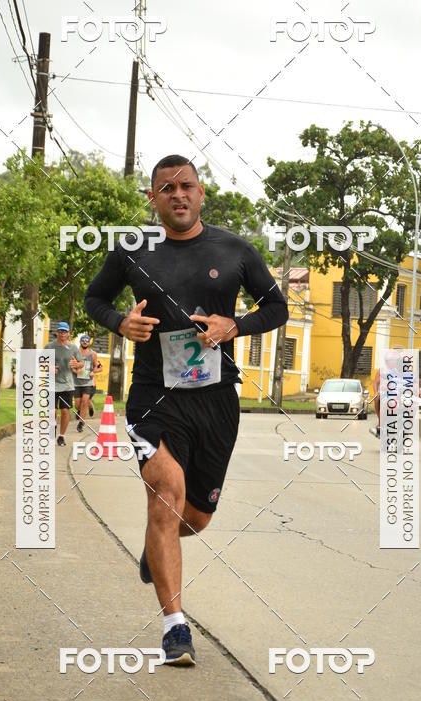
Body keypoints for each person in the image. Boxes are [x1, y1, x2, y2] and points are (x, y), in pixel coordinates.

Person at [84, 154, 288, 665]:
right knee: (165, 493)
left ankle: (158, 548)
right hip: (154, 396)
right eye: (166, 188)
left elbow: (277, 306)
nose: (178, 195)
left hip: (216, 399)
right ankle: (175, 627)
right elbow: (95, 298)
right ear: (153, 197)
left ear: (200, 193)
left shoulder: (235, 249)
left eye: (186, 186)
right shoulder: (132, 250)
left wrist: (234, 325)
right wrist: (119, 322)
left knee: (193, 518)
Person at [44, 323, 84, 446]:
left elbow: (82, 363)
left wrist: (76, 364)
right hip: (52, 384)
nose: (62, 334)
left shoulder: (73, 348)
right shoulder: (49, 346)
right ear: (57, 332)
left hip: (67, 385)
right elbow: (41, 362)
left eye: (65, 332)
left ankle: (61, 436)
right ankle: (53, 425)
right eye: (60, 331)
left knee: (65, 411)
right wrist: (48, 367)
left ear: (68, 334)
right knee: (52, 411)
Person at [74, 334, 102, 432]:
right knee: (77, 405)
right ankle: (88, 407)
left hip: (88, 382)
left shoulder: (93, 354)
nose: (85, 342)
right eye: (83, 340)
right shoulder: (75, 352)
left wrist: (93, 371)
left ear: (89, 343)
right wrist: (76, 371)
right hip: (76, 383)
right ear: (80, 342)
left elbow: (99, 367)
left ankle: (81, 423)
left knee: (85, 401)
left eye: (87, 341)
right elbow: (71, 365)